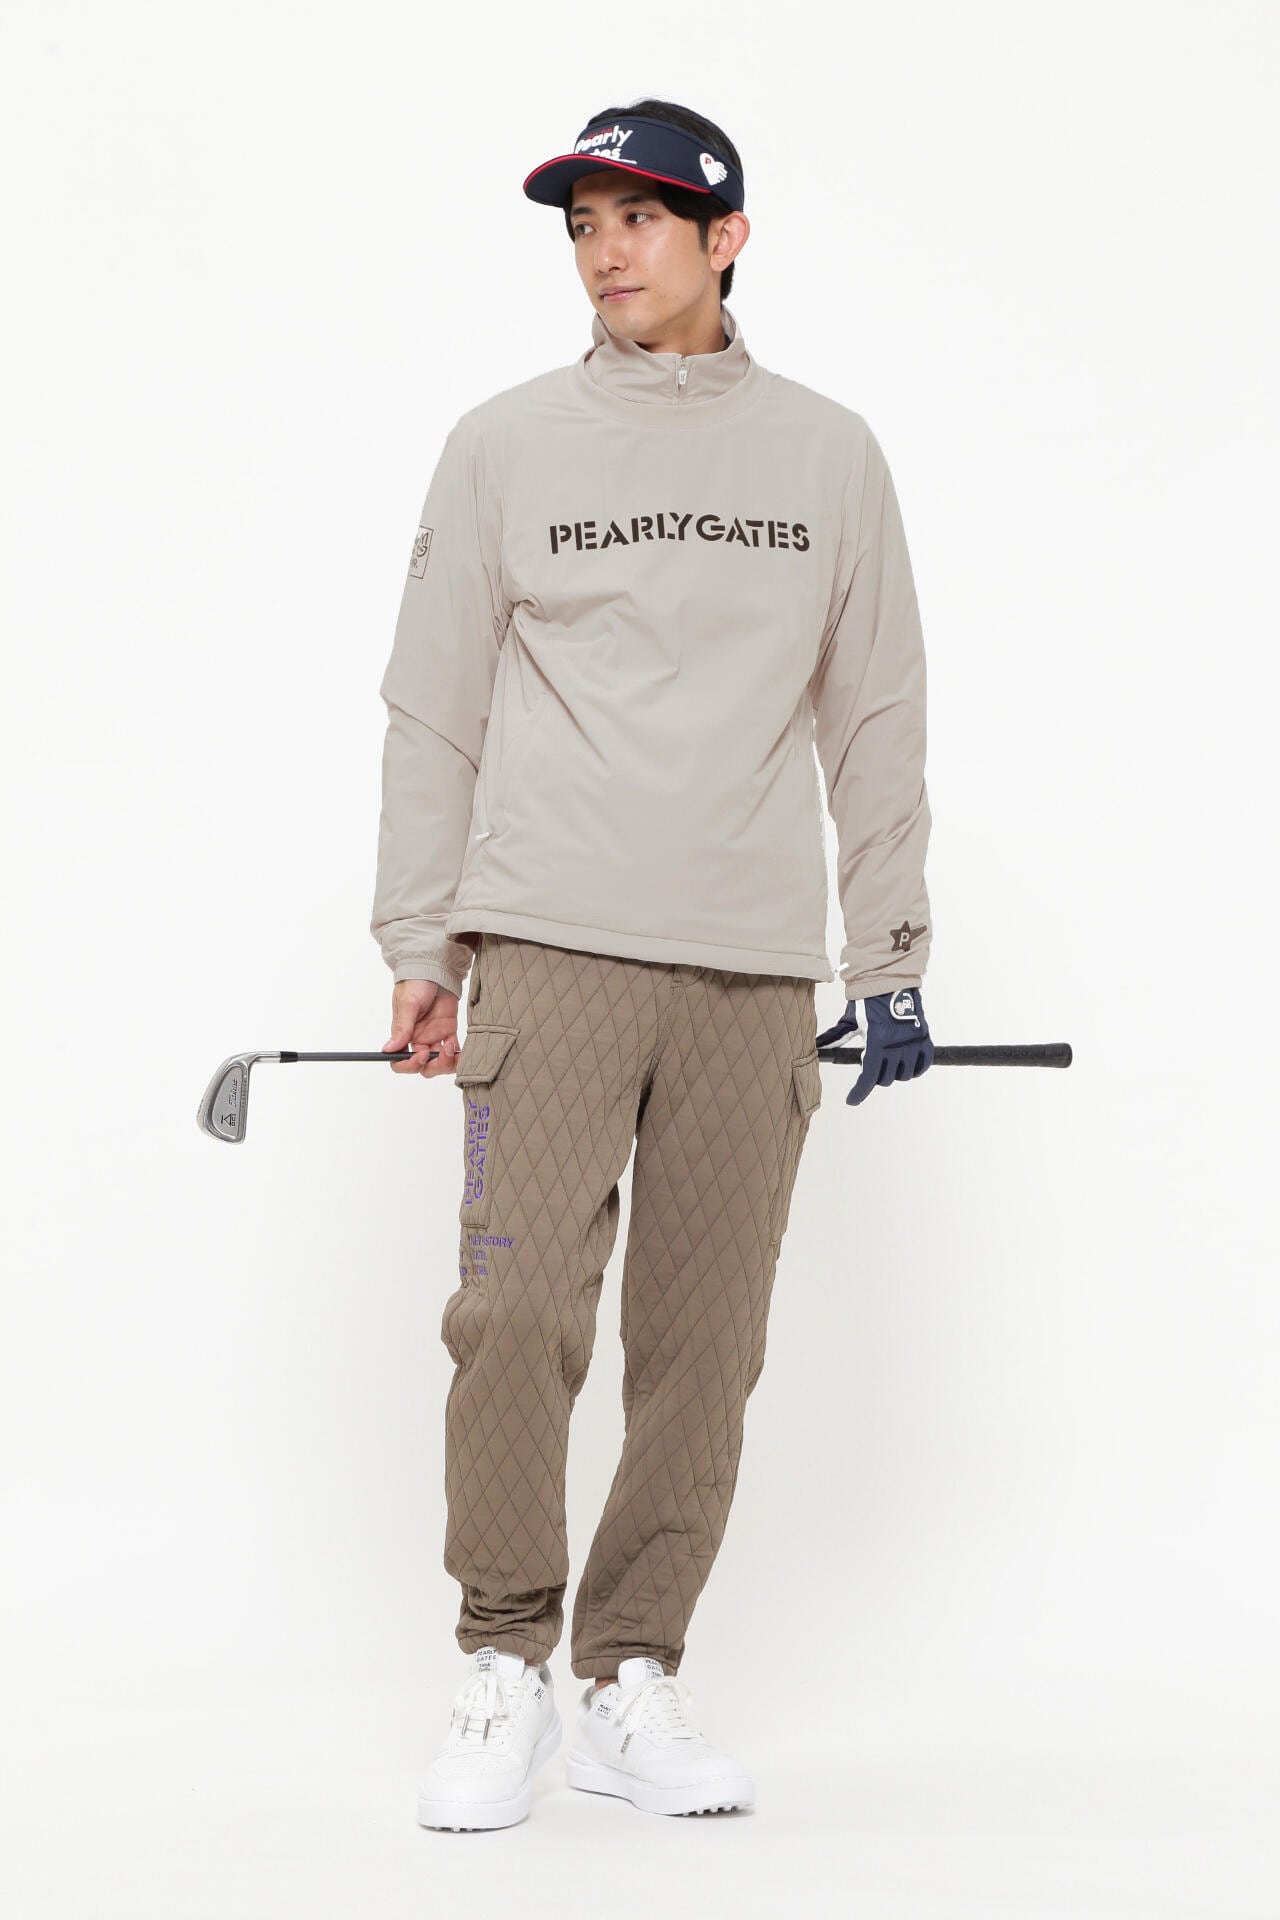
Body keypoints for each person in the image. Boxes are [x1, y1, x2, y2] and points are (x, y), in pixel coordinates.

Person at [369, 97, 935, 1831]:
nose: (603, 251)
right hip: (548, 948)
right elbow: (433, 708)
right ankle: (504, 1661)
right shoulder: (505, 445)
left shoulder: (829, 455)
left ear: (725, 239)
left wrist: (891, 953)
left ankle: (628, 1673)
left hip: (750, 968)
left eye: (639, 217)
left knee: (704, 1349)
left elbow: (877, 713)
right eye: (582, 224)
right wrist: (420, 938)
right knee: (514, 1317)